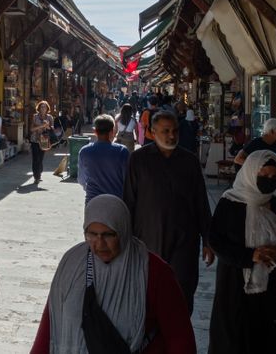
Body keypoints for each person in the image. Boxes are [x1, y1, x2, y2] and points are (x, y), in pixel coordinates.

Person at [30, 195, 196, 353]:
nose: (100, 244)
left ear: (123, 230)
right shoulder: (72, 264)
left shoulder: (154, 272)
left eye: (109, 234)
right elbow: (51, 324)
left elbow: (179, 337)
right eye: (92, 234)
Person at [208, 151, 276, 354]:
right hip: (235, 289)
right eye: (264, 175)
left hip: (271, 295)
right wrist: (249, 256)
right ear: (251, 173)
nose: (268, 181)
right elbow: (216, 241)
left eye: (273, 177)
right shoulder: (230, 202)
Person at [123, 110, 215, 313]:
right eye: (165, 131)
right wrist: (125, 239)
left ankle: (178, 338)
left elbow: (200, 201)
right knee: (148, 292)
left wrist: (208, 240)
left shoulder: (189, 161)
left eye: (174, 131)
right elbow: (128, 200)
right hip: (147, 238)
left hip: (184, 240)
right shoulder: (138, 160)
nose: (171, 136)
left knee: (181, 291)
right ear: (153, 132)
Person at [77, 114, 130, 202]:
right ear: (112, 131)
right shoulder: (122, 151)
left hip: (93, 202)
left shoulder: (84, 151)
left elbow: (81, 179)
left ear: (95, 131)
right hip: (117, 202)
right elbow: (127, 180)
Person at [29, 101, 55, 185]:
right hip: (35, 140)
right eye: (41, 107)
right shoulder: (35, 117)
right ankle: (36, 176)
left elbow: (52, 130)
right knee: (35, 159)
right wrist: (41, 126)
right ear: (39, 108)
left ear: (47, 108)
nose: (43, 108)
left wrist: (47, 126)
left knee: (40, 159)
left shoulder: (50, 117)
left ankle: (38, 173)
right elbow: (31, 129)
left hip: (44, 140)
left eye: (45, 107)